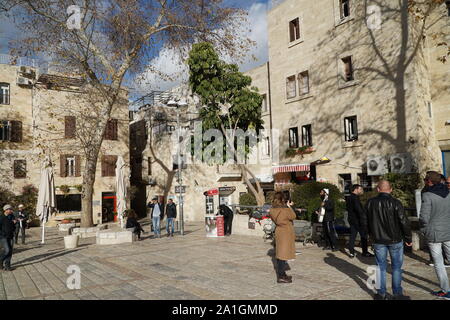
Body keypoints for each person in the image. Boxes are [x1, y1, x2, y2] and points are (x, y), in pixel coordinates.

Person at [362, 180, 412, 300]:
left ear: (378, 189)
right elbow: (404, 221)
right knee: (396, 267)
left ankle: (381, 293)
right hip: (395, 240)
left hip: (378, 239)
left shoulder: (370, 203)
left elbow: (364, 222)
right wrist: (408, 238)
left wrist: (370, 235)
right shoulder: (396, 202)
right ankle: (397, 294)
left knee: (380, 267)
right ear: (390, 190)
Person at [419, 171, 450, 299]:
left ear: (429, 181)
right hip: (448, 231)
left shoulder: (427, 195)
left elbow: (424, 218)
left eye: (426, 180)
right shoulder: (448, 193)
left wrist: (424, 230)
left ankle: (446, 291)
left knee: (439, 263)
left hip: (434, 233)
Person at [269, 192, 296, 283]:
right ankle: (281, 276)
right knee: (282, 255)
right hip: (286, 232)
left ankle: (282, 274)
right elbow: (293, 216)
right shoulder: (285, 210)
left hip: (279, 230)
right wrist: (289, 206)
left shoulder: (272, 209)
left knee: (280, 253)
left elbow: (274, 219)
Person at [346, 185, 373, 258]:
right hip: (358, 220)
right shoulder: (355, 198)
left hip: (351, 220)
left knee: (352, 236)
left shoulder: (348, 197)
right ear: (356, 189)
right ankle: (365, 252)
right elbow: (359, 210)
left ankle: (351, 252)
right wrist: (364, 218)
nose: (361, 190)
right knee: (364, 236)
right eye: (360, 189)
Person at [0, 205, 17, 271]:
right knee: (7, 250)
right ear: (5, 210)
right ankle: (1, 260)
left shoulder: (11, 216)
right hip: (3, 237)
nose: (11, 210)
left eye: (11, 209)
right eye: (9, 209)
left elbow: (13, 226)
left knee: (10, 251)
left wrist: (14, 224)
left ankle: (7, 265)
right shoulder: (1, 217)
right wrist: (2, 234)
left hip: (11, 236)